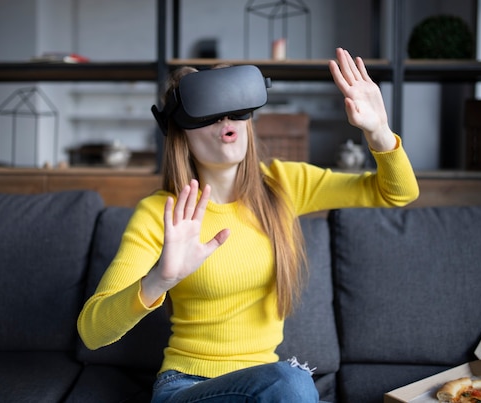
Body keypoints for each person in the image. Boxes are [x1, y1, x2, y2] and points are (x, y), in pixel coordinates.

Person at [77, 47, 419, 402]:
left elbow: (397, 193)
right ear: (180, 131)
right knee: (293, 382)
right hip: (187, 388)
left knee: (288, 382)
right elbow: (92, 331)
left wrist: (379, 132)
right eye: (208, 114)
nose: (226, 122)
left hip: (266, 389)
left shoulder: (285, 184)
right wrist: (159, 280)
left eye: (236, 111)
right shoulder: (161, 214)